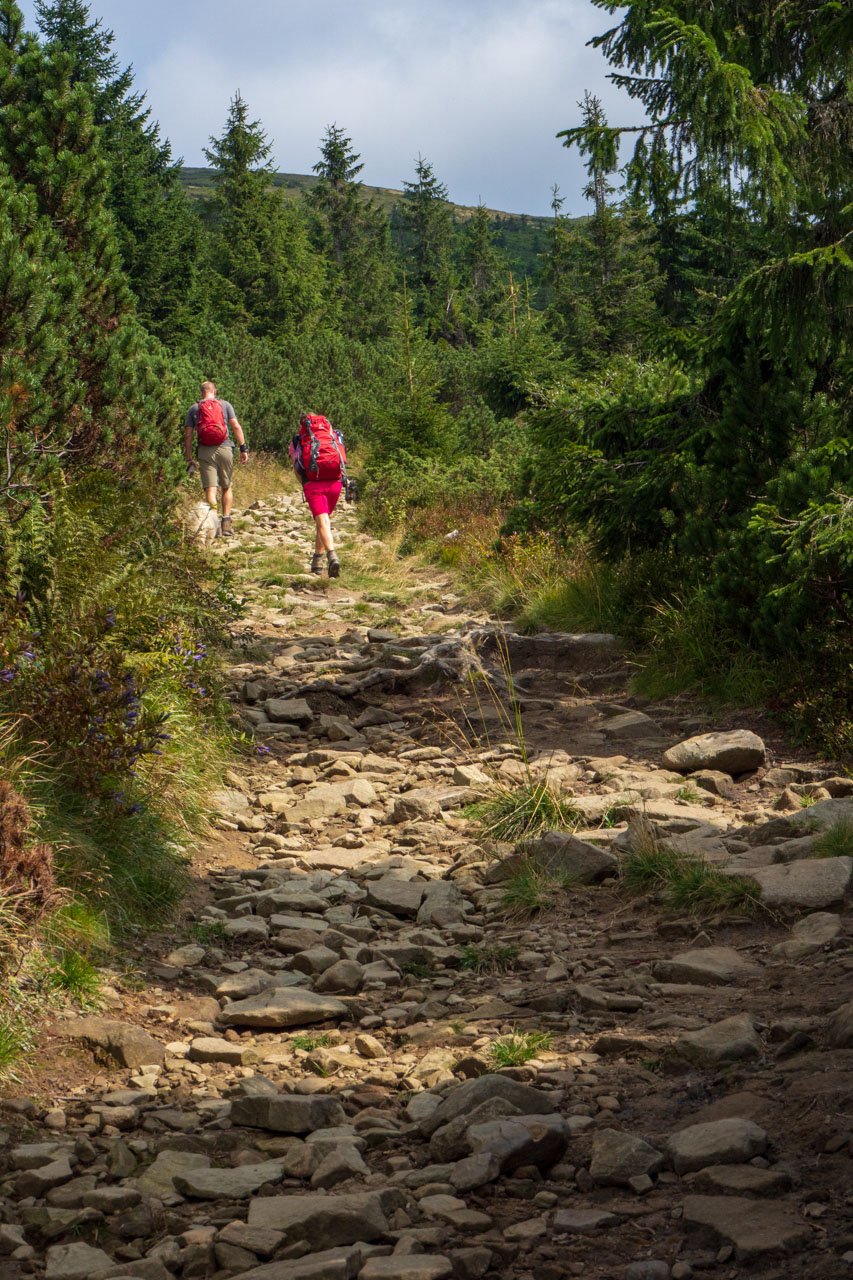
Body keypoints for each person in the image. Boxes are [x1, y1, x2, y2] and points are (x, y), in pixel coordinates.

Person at [184, 381, 249, 537]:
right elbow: (236, 427)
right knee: (226, 486)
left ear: (201, 393)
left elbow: (188, 435)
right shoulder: (225, 405)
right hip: (225, 448)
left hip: (205, 451)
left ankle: (214, 526)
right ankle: (226, 522)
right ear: (215, 391)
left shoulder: (194, 408)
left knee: (211, 489)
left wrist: (188, 457)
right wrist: (243, 448)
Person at [290, 412, 344, 578]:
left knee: (323, 521)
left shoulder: (298, 440)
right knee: (324, 521)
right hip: (335, 482)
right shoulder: (334, 435)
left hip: (314, 484)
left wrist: (305, 484)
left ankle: (331, 555)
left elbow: (295, 465)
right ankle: (317, 561)